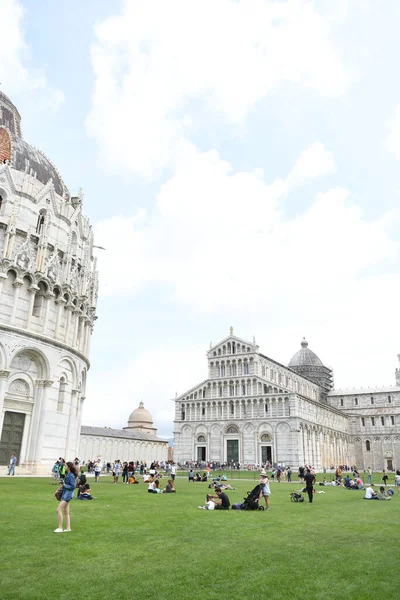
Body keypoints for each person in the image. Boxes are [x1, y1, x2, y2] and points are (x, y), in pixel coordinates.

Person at [54, 462, 78, 532]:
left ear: (69, 467)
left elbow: (73, 486)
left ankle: (60, 528)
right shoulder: (69, 474)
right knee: (66, 512)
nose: (64, 467)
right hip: (67, 494)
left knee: (58, 510)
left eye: (65, 466)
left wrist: (65, 485)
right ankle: (68, 528)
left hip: (67, 495)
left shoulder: (70, 475)